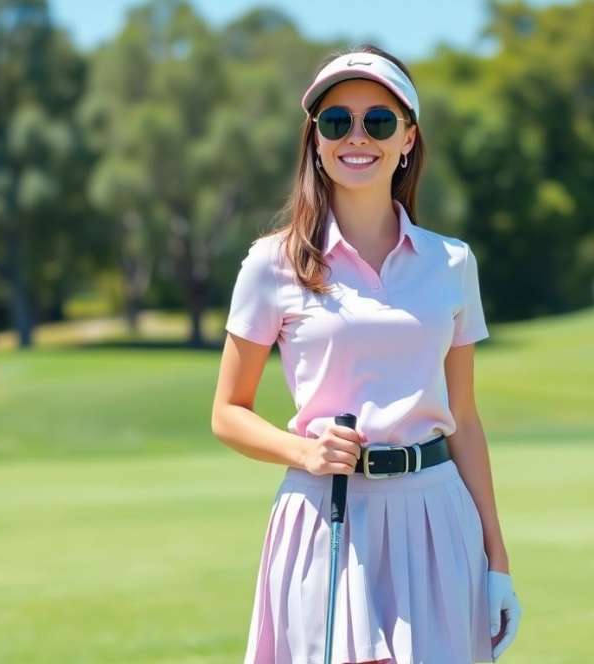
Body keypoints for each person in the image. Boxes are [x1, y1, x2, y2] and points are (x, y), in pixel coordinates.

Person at [212, 43, 522, 664]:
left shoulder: (452, 263)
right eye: (337, 121)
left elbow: (463, 417)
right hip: (327, 516)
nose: (358, 136)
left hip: (436, 519)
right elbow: (228, 412)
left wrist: (498, 560)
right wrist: (306, 449)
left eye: (378, 120)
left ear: (408, 138)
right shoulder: (273, 263)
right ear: (317, 142)